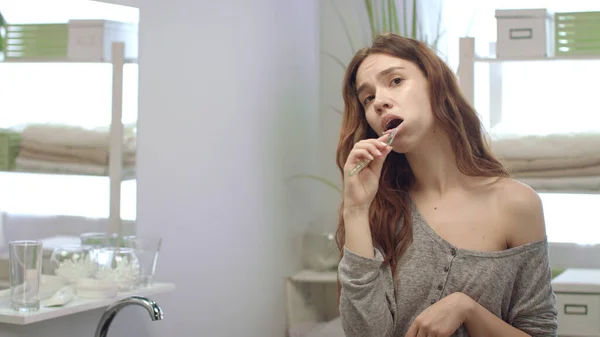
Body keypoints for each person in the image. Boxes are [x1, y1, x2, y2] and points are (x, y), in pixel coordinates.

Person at [335, 33, 558, 337]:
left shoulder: (516, 204)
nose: (380, 102)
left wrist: (466, 310)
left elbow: (540, 331)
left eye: (396, 81)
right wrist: (357, 211)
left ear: (436, 84)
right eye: (368, 98)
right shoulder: (377, 210)